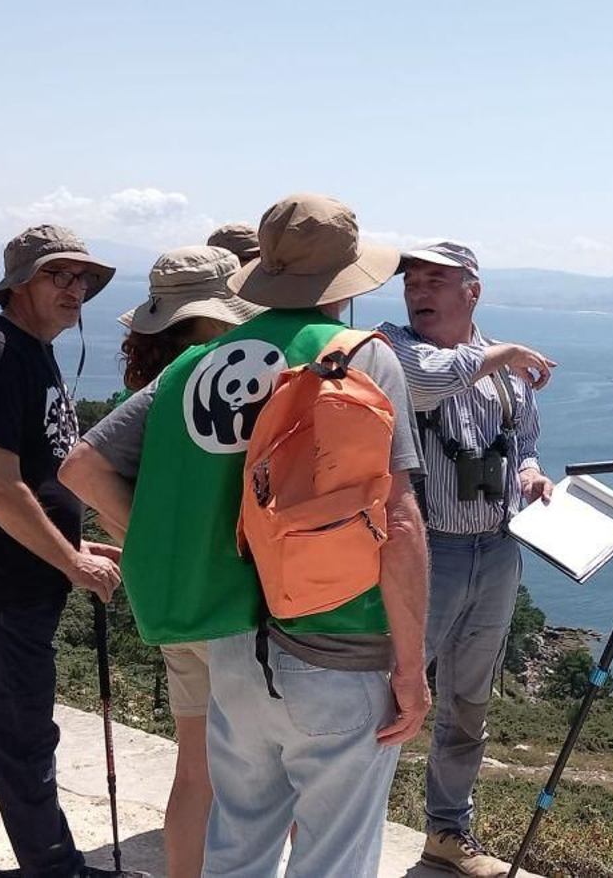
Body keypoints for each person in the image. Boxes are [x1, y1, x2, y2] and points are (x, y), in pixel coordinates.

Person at [60, 193, 429, 877]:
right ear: (344, 280)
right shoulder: (360, 359)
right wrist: (410, 666)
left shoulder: (191, 367)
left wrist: (148, 544)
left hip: (231, 641)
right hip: (340, 642)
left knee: (238, 845)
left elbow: (83, 465)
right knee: (333, 857)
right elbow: (400, 520)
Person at [0, 224, 123, 878]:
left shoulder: (29, 352)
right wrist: (74, 562)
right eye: (56, 276)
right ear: (19, 284)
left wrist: (75, 542)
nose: (75, 289)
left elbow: (29, 481)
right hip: (4, 588)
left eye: (81, 279)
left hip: (4, 583)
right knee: (25, 739)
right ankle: (55, 868)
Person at [376, 240, 556, 877]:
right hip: (425, 551)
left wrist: (532, 477)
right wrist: (500, 353)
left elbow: (524, 442)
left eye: (433, 280)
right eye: (411, 281)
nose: (417, 291)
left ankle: (448, 833)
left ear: (470, 291)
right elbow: (426, 383)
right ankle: (349, 820)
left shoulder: (505, 372)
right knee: (390, 695)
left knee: (468, 704)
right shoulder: (392, 348)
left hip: (499, 549)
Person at [109, 244, 265, 878]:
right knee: (261, 779)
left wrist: (152, 547)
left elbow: (95, 475)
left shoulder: (149, 385)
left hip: (172, 602)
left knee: (194, 772)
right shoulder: (207, 382)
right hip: (225, 602)